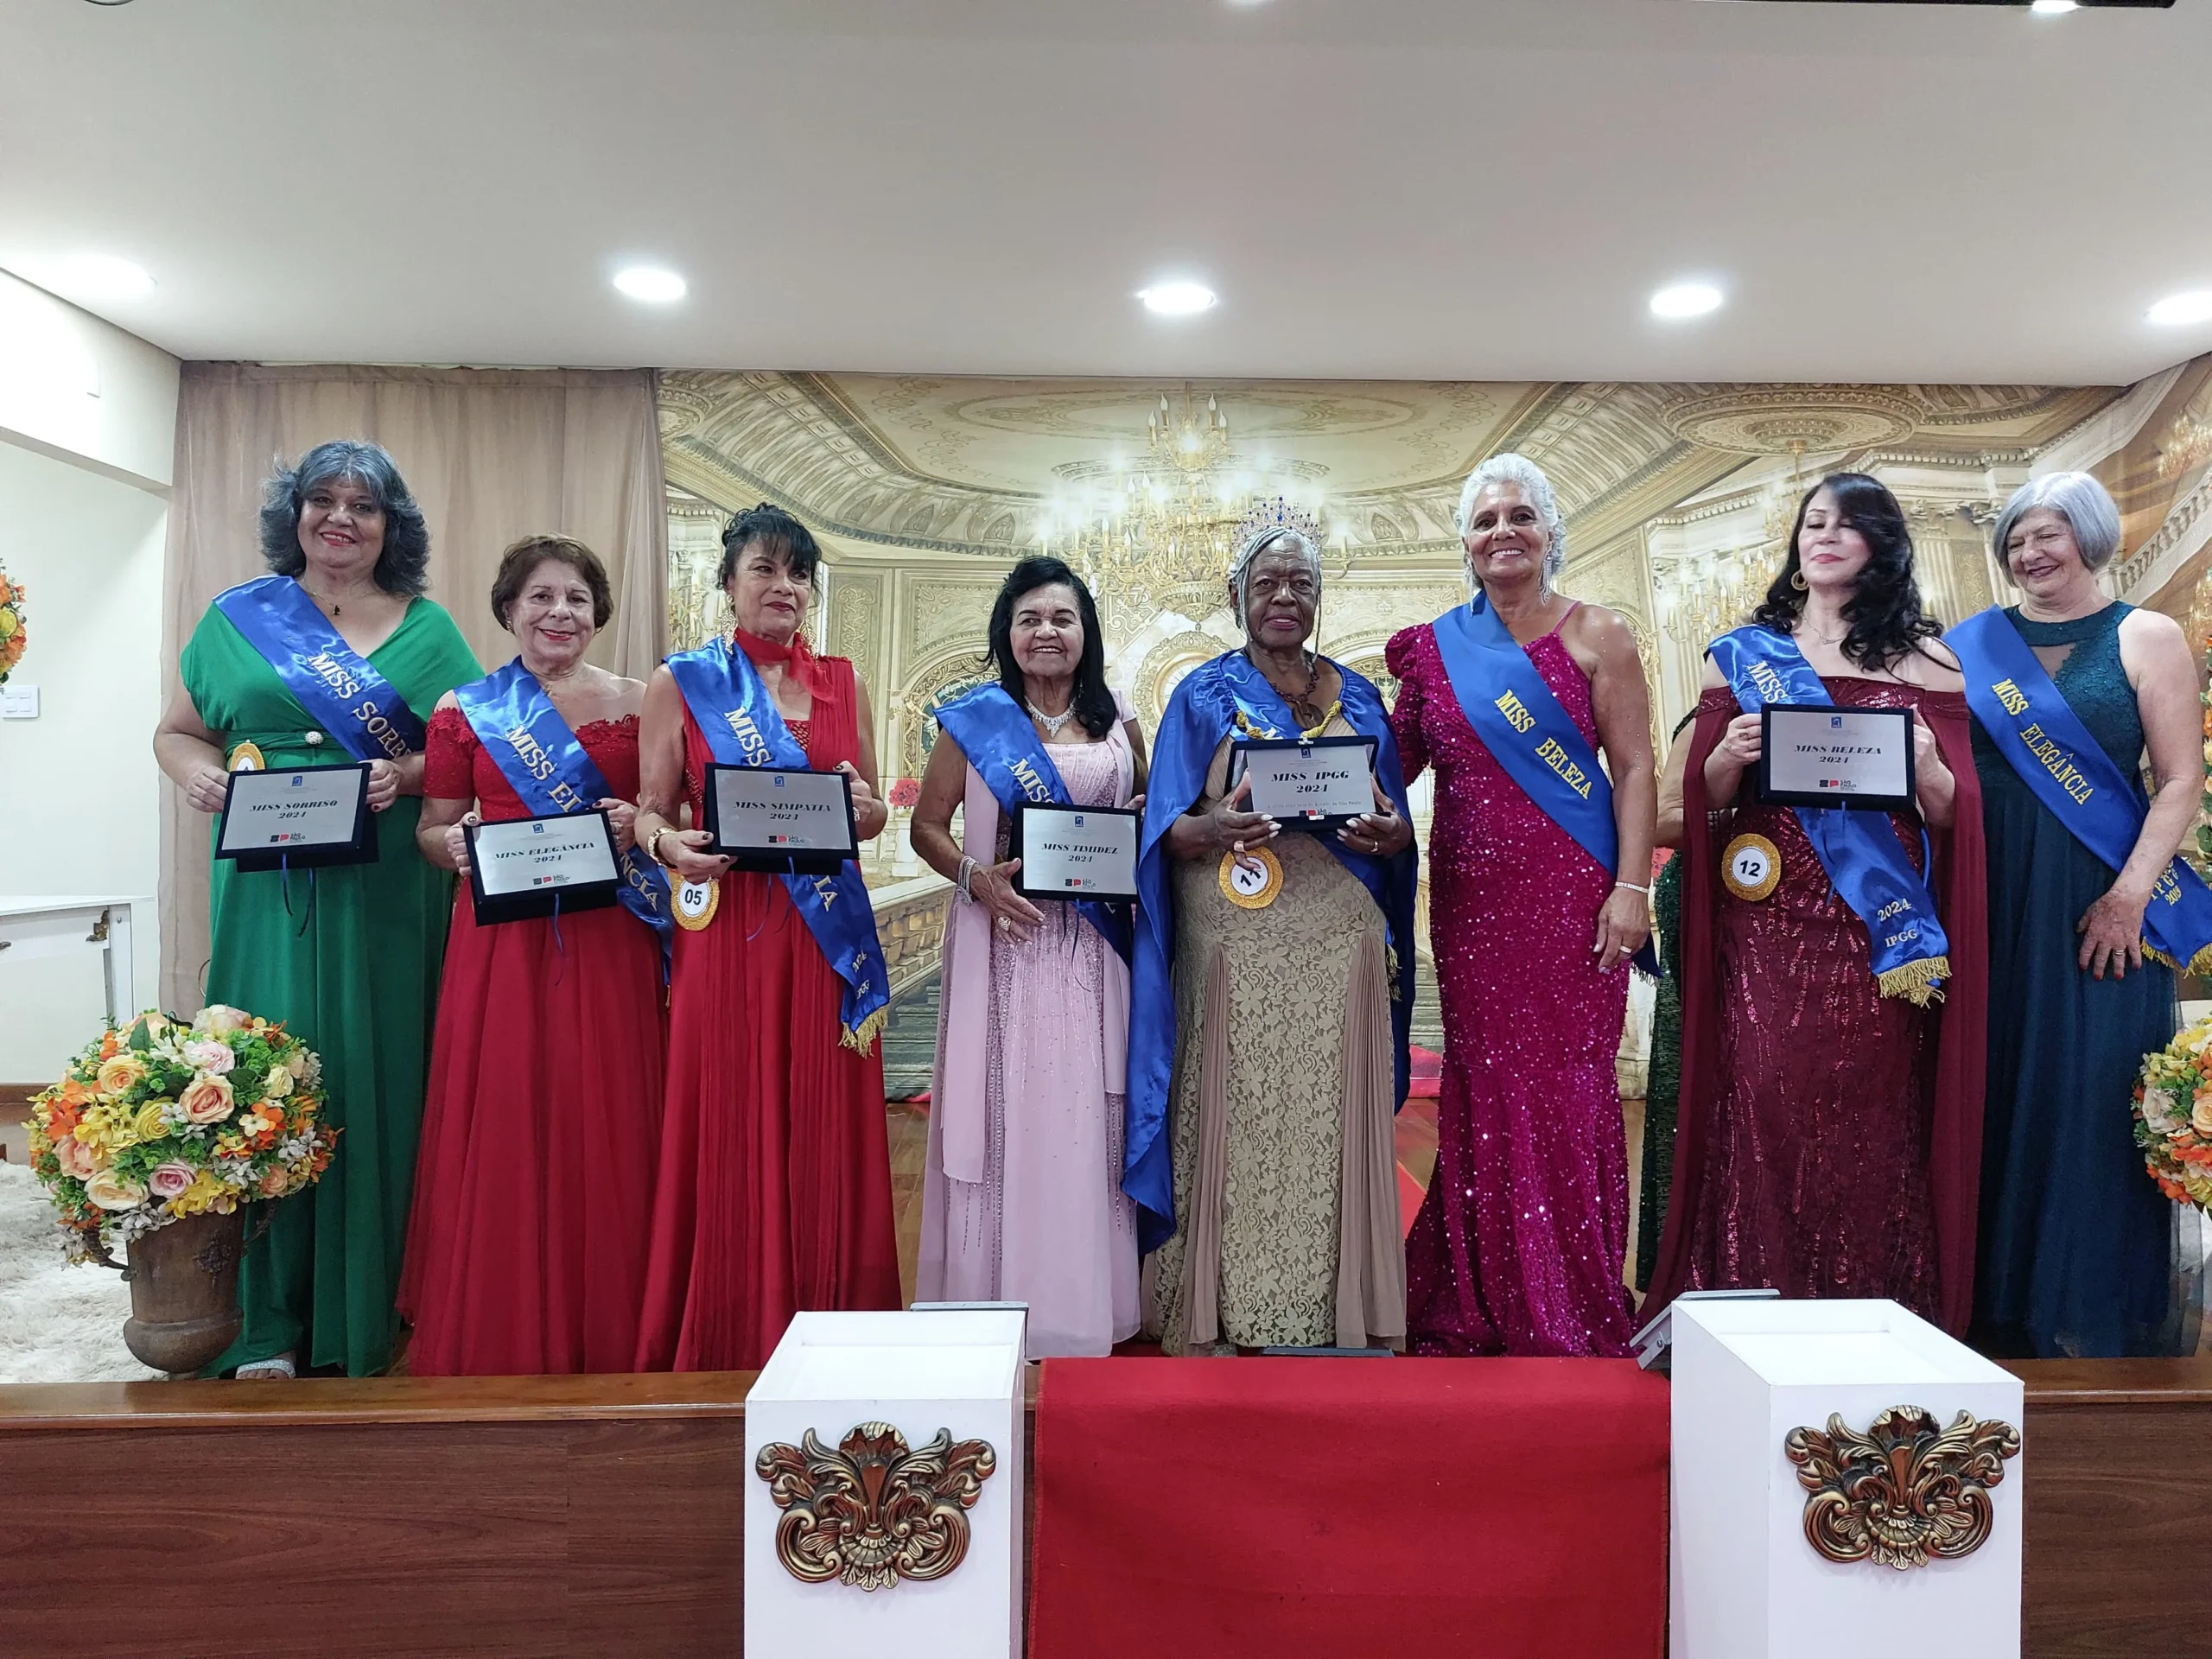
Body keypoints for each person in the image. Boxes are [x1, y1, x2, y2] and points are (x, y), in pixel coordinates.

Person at [153, 440, 481, 1378]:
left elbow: (464, 757)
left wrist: (404, 773)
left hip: (387, 887)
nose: (341, 519)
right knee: (265, 1070)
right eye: (323, 501)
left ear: (391, 526)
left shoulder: (431, 630)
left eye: (363, 506)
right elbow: (176, 732)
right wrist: (197, 774)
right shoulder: (237, 618)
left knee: (379, 1065)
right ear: (293, 515)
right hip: (267, 888)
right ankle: (266, 1315)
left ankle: (373, 1305)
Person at [1649, 473, 1988, 1334]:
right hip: (1766, 921)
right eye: (1813, 523)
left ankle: (1874, 1316)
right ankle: (1755, 1317)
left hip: (1883, 931)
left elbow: (1958, 818)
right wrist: (1723, 759)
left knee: (1874, 1113)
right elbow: (1678, 809)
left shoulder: (1931, 664)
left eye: (1847, 523)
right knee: (1763, 1098)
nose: (1826, 535)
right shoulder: (1742, 655)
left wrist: (1929, 769)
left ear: (1882, 545)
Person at [1130, 500, 1418, 1355]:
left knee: (1327, 1118)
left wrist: (1394, 836)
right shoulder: (1201, 695)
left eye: (1300, 582)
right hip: (1235, 931)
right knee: (1242, 1114)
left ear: (1320, 597)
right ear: (1237, 597)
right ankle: (1223, 1304)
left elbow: (1397, 821)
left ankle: (1335, 1308)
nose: (1283, 597)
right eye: (1266, 583)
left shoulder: (1362, 696)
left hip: (1340, 932)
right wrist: (1212, 826)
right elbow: (1164, 831)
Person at [1387, 453, 1655, 1358]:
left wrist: (1631, 887)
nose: (1503, 531)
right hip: (1472, 903)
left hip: (1574, 897)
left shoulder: (1597, 633)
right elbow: (1388, 770)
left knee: (1568, 1086)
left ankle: (1567, 1294)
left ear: (1549, 533)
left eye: (1520, 516)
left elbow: (1636, 769)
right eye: (1485, 520)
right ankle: (1478, 1294)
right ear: (1465, 544)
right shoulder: (1433, 650)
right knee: (1486, 1082)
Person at [629, 503, 900, 1370]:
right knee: (729, 1107)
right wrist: (670, 847)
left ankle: (831, 1315)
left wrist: (863, 808)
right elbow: (649, 811)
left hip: (823, 933)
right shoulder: (682, 681)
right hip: (729, 923)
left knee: (821, 1112)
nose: (784, 587)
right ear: (729, 583)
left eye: (798, 574)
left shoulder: (842, 680)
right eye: (765, 569)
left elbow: (866, 808)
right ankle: (729, 1323)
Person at [1951, 473, 2209, 1357]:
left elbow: (2180, 781)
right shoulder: (1970, 646)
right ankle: (1985, 1302)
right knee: (1992, 1084)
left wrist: (2129, 897)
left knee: (2089, 1093)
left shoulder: (2145, 635)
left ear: (2089, 538)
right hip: (1990, 894)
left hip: (2105, 901)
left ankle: (2081, 1306)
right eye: (2016, 540)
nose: (2029, 553)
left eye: (2047, 535)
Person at [400, 536, 671, 1375]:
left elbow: (672, 813)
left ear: (598, 613)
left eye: (577, 599)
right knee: (511, 1112)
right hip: (502, 948)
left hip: (611, 936)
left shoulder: (643, 703)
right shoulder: (465, 709)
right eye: (541, 597)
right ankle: (505, 1312)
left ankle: (618, 1313)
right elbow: (430, 831)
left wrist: (639, 823)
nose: (560, 613)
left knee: (609, 1110)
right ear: (510, 610)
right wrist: (457, 841)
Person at [910, 558, 1148, 1357]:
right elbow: (927, 826)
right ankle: (995, 1301)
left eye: (1063, 618)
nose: (1047, 632)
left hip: (1096, 953)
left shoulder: (1118, 718)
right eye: (1030, 619)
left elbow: (1151, 807)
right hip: (1007, 948)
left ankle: (1083, 1304)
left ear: (1086, 632)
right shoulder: (976, 719)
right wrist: (975, 878)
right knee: (1008, 1110)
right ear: (1007, 633)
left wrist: (1141, 818)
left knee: (1089, 1117)